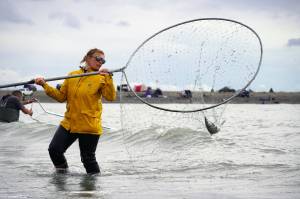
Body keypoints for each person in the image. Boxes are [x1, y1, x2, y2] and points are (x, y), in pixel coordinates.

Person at [35, 48, 116, 175]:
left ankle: (92, 189)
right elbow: (61, 97)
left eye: (103, 61)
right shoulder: (73, 75)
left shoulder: (101, 78)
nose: (101, 62)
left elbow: (111, 97)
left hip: (89, 125)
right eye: (98, 59)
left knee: (87, 159)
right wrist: (44, 85)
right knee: (54, 150)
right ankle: (62, 176)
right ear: (88, 58)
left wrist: (109, 78)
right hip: (69, 123)